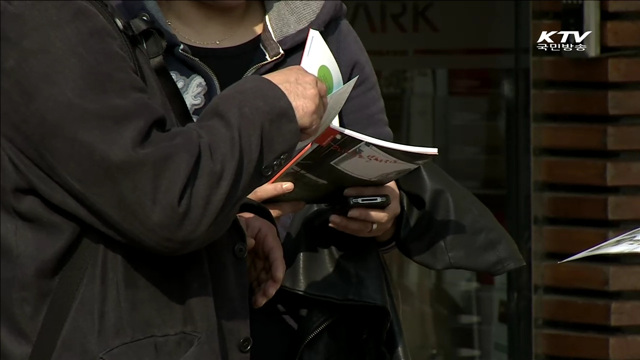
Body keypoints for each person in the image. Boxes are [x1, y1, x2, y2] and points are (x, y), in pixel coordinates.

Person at [116, 1, 525, 359]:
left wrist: (386, 214)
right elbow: (111, 186)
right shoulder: (115, 33)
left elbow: (371, 151)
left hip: (307, 320)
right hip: (166, 318)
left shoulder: (324, 31)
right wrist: (229, 200)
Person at [1, 1, 330, 359]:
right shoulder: (43, 17)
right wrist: (271, 102)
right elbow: (161, 197)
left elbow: (112, 185)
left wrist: (227, 233)